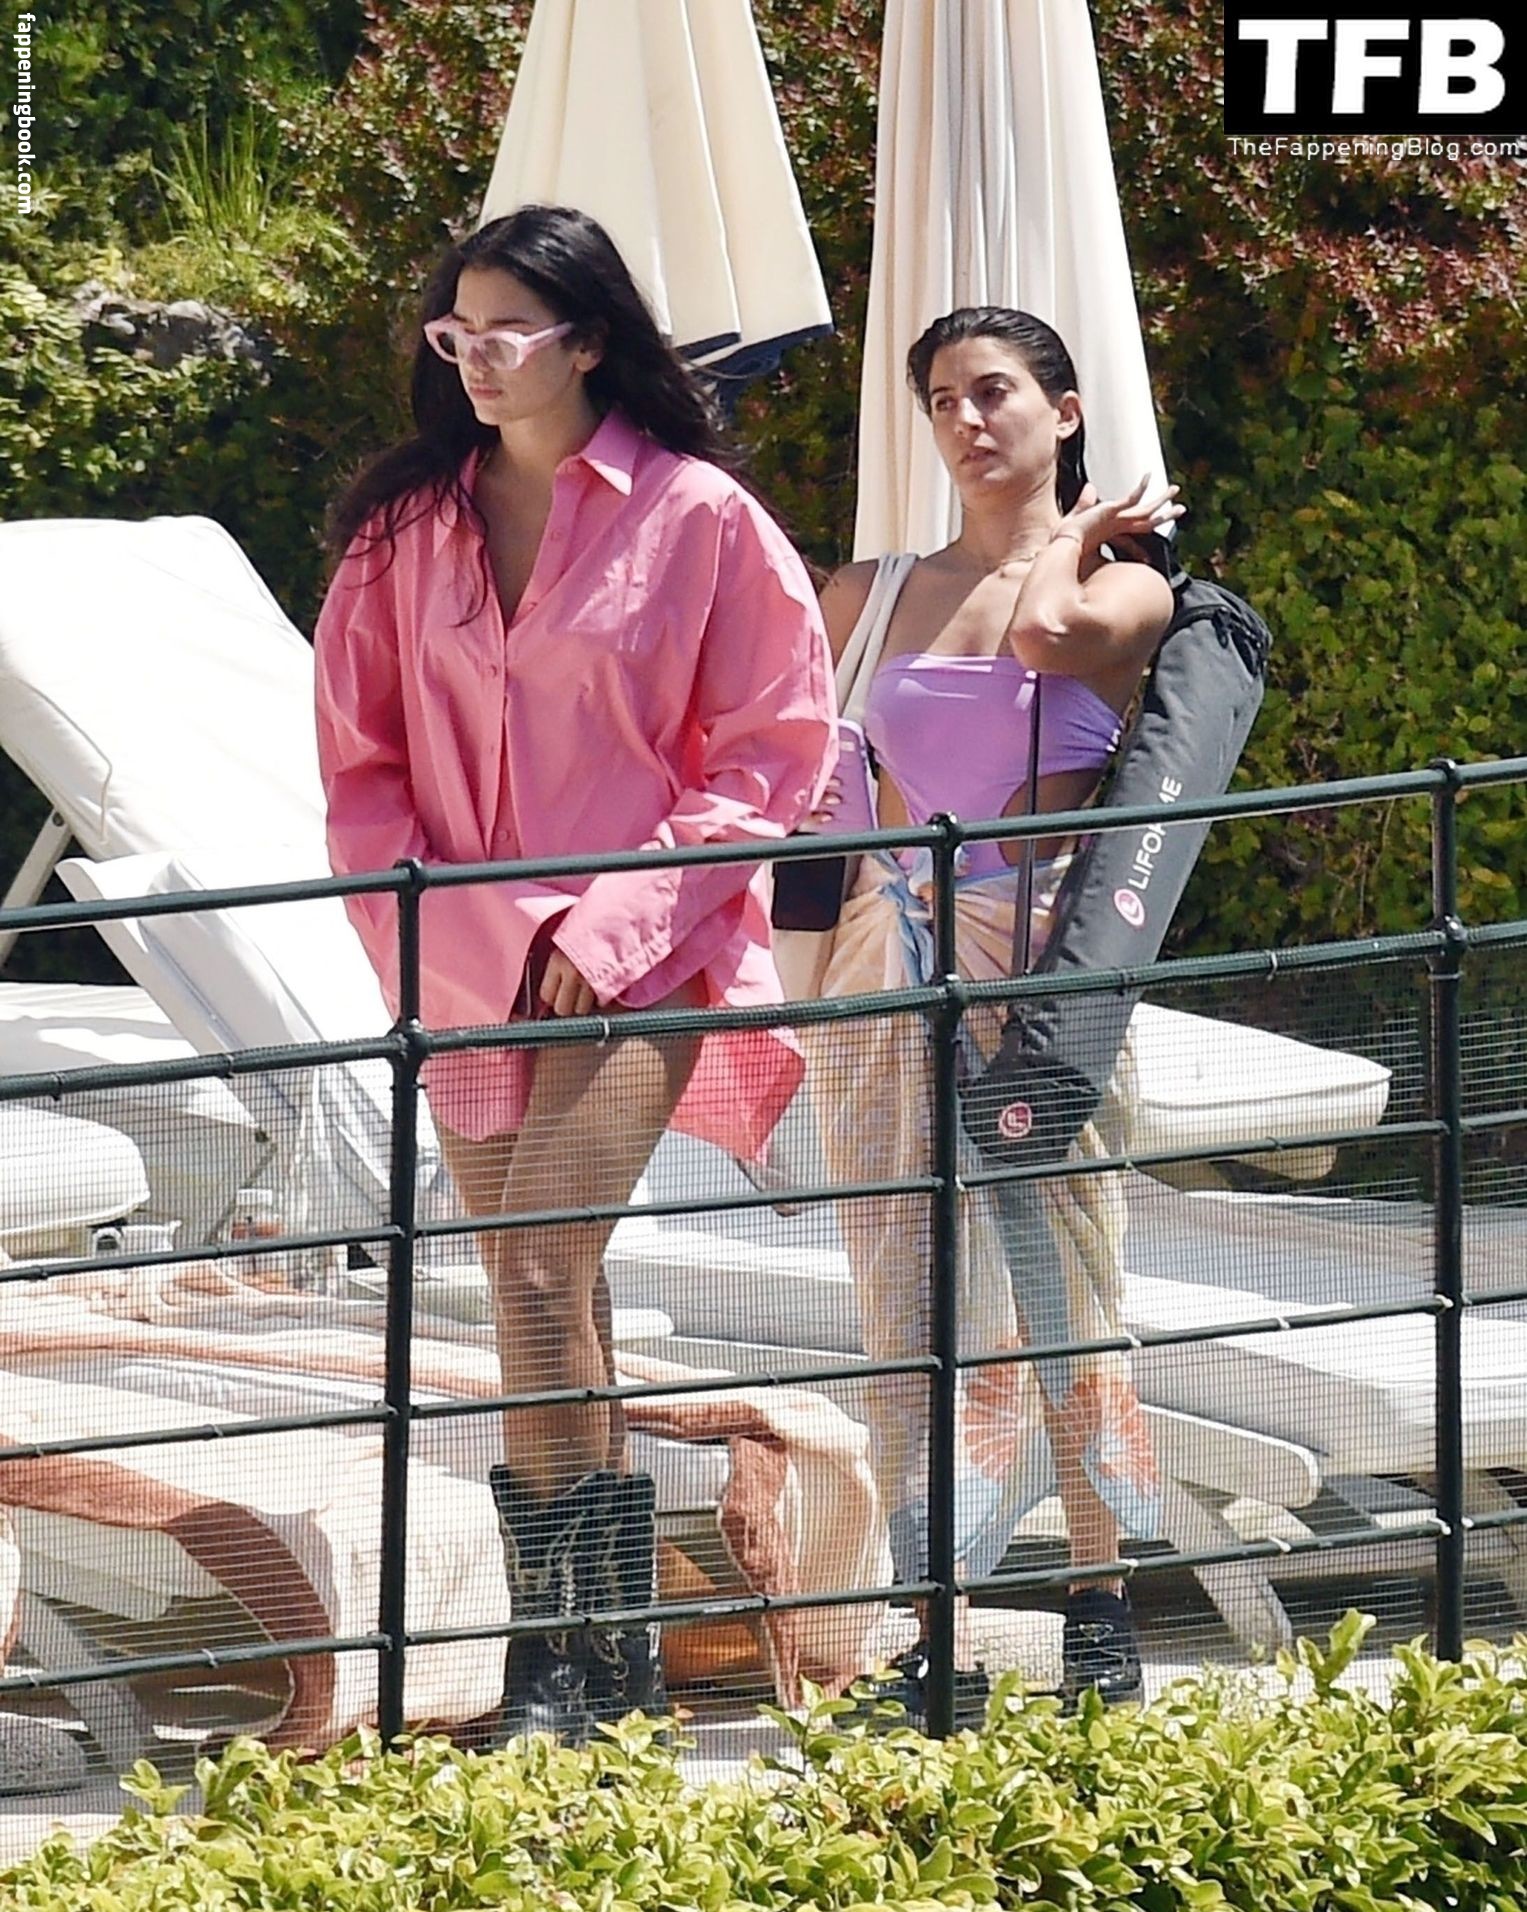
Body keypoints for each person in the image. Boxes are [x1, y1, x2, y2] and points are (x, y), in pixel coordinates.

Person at [313, 204, 835, 1744]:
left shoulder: (704, 518)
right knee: (552, 1301)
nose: (474, 360)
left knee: (540, 1275)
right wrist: (457, 941)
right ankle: (610, 1667)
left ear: (591, 340)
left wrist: (603, 930)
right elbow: (360, 770)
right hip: (463, 961)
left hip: (642, 959)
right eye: (453, 333)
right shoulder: (403, 529)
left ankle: (553, 1664)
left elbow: (772, 758)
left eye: (507, 332)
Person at [806, 307, 1181, 1714]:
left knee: (1064, 1282)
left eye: (997, 392)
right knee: (902, 1294)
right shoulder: (871, 592)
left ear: (1064, 412)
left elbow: (1046, 631)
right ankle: (931, 1618)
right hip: (885, 968)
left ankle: (1099, 1597)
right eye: (944, 400)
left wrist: (1071, 533)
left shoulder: (1127, 585)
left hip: (1038, 979)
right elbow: (817, 794)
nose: (967, 421)